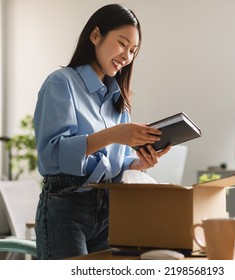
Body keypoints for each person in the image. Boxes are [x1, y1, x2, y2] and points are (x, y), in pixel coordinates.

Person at [33, 4, 170, 260]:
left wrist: (138, 163)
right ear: (95, 36)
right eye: (122, 44)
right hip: (66, 207)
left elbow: (111, 162)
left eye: (133, 51)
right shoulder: (61, 83)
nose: (127, 56)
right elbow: (51, 154)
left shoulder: (119, 101)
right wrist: (114, 135)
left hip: (109, 208)